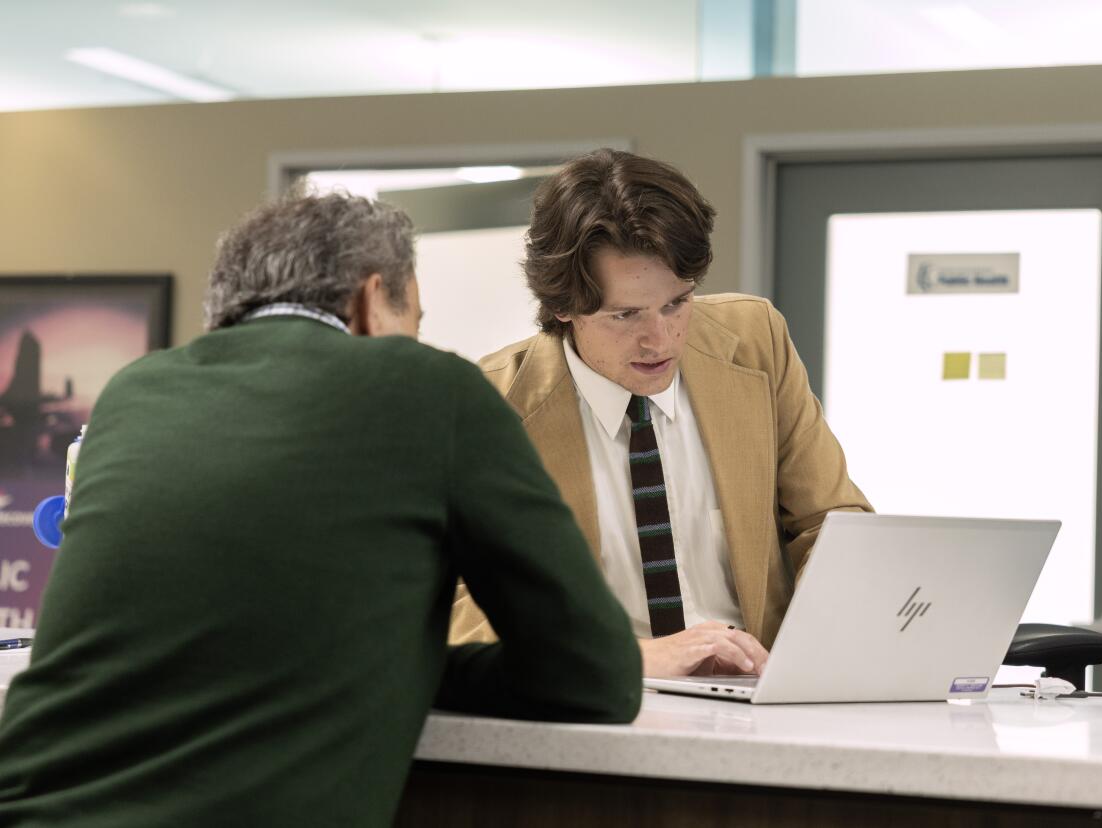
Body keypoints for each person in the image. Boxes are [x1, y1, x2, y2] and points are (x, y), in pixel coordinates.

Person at [0, 191, 641, 827]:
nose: (417, 341)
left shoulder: (133, 392)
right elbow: (595, 674)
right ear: (368, 302)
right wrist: (407, 667)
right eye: (413, 322)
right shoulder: (430, 387)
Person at [450, 149, 872, 678]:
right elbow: (455, 604)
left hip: (756, 698)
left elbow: (831, 523)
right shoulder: (489, 405)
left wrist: (810, 661)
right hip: (603, 699)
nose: (661, 339)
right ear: (562, 306)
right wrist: (626, 658)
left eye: (677, 303)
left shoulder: (756, 339)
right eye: (626, 314)